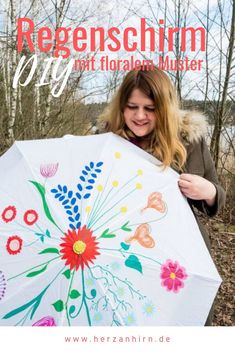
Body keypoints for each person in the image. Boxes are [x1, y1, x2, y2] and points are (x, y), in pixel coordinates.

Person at [97, 65, 226, 325]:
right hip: (124, 256)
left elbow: (216, 194)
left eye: (150, 108)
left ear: (164, 108)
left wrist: (208, 191)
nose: (140, 115)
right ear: (122, 106)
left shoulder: (189, 140)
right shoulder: (105, 141)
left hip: (179, 258)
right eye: (132, 106)